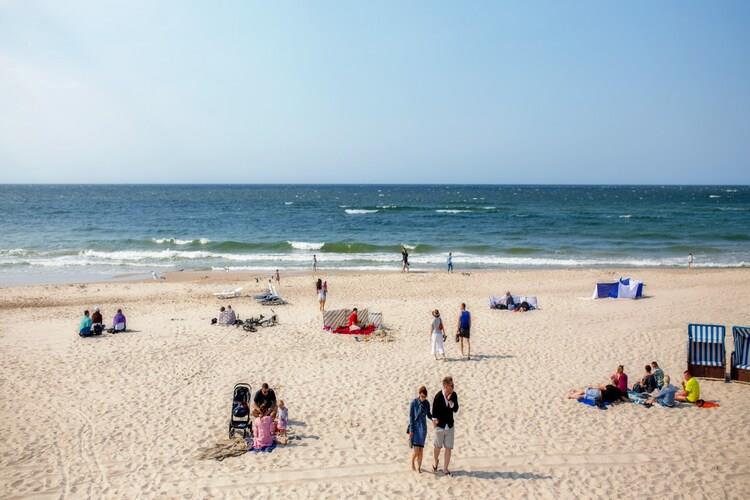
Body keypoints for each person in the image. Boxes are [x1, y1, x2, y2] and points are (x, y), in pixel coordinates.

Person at [432, 376, 459, 476]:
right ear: (446, 386)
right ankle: (435, 461)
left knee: (448, 448)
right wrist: (435, 423)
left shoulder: (454, 395)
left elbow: (456, 409)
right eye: (451, 385)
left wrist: (451, 403)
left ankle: (445, 469)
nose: (453, 387)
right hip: (440, 426)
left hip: (450, 426)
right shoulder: (438, 396)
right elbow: (434, 413)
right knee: (437, 447)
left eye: (453, 385)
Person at [408, 386, 432, 473]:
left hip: (423, 429)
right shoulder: (414, 403)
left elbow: (429, 415)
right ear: (419, 394)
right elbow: (411, 417)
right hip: (415, 428)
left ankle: (419, 467)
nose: (423, 398)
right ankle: (412, 462)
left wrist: (434, 418)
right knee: (416, 450)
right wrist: (411, 430)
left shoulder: (427, 403)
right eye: (422, 396)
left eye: (424, 397)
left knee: (421, 450)